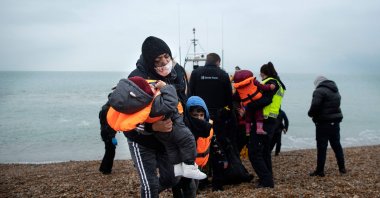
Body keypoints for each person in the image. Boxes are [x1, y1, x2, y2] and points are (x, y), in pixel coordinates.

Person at [116, 36, 192, 197]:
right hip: (140, 140)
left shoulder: (175, 73)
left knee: (172, 178)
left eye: (167, 56)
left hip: (166, 139)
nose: (164, 62)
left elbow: (181, 104)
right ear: (150, 62)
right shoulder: (136, 79)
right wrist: (151, 127)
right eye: (158, 60)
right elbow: (125, 120)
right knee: (149, 184)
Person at [107, 76, 206, 180]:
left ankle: (178, 168)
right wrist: (166, 87)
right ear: (143, 95)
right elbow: (172, 102)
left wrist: (151, 127)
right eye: (148, 86)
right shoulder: (156, 105)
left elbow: (139, 127)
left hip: (160, 133)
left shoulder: (135, 109)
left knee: (171, 146)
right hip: (173, 126)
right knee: (188, 140)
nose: (151, 85)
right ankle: (190, 167)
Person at [246, 62, 286, 188]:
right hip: (272, 120)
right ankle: (268, 176)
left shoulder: (268, 83)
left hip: (262, 121)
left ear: (264, 73)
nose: (260, 76)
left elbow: (265, 100)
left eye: (261, 73)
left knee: (253, 153)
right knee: (264, 152)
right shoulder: (279, 84)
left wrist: (248, 106)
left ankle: (267, 180)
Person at [172, 96, 214, 196]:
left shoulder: (208, 128)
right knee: (186, 188)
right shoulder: (185, 129)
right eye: (195, 115)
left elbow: (214, 144)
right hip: (184, 165)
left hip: (198, 165)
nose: (199, 118)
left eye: (201, 115)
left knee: (194, 187)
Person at [308, 76, 346, 177]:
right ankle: (342, 168)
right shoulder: (335, 90)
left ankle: (320, 171)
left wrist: (310, 114)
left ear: (318, 83)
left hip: (323, 123)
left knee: (322, 147)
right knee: (336, 145)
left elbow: (315, 106)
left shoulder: (319, 91)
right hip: (335, 122)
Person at [233, 69, 275, 135]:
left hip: (248, 103)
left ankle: (247, 131)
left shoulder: (238, 87)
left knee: (248, 117)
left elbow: (237, 97)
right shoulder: (253, 81)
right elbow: (262, 87)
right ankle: (259, 129)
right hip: (257, 100)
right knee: (259, 115)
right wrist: (270, 87)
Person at [98, 98, 117, 175]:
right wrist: (112, 136)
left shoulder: (103, 108)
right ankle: (106, 170)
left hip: (104, 132)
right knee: (111, 151)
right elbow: (109, 124)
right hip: (108, 133)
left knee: (108, 150)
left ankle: (103, 167)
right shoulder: (108, 110)